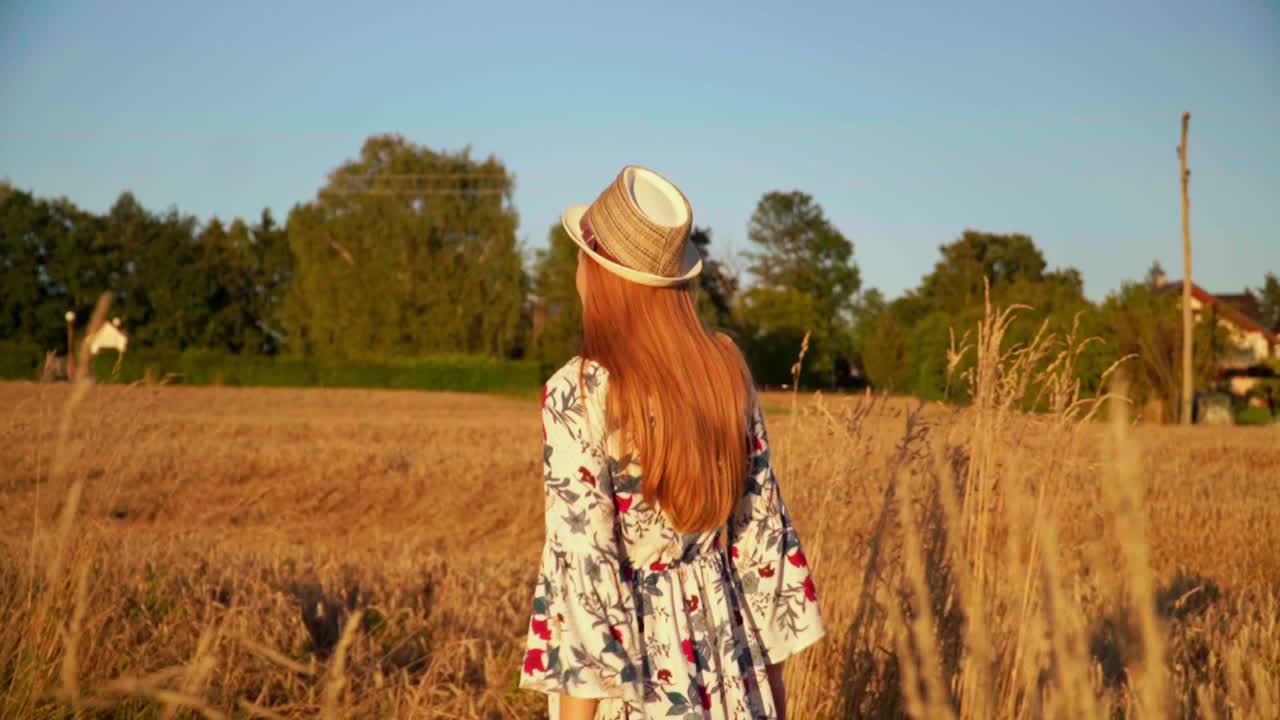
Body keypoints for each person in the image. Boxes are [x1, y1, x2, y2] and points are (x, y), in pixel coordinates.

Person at [520, 166, 825, 719]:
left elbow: (585, 577)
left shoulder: (579, 391)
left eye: (582, 258)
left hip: (641, 683)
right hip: (732, 671)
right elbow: (764, 542)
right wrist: (772, 698)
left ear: (601, 275)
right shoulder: (725, 371)